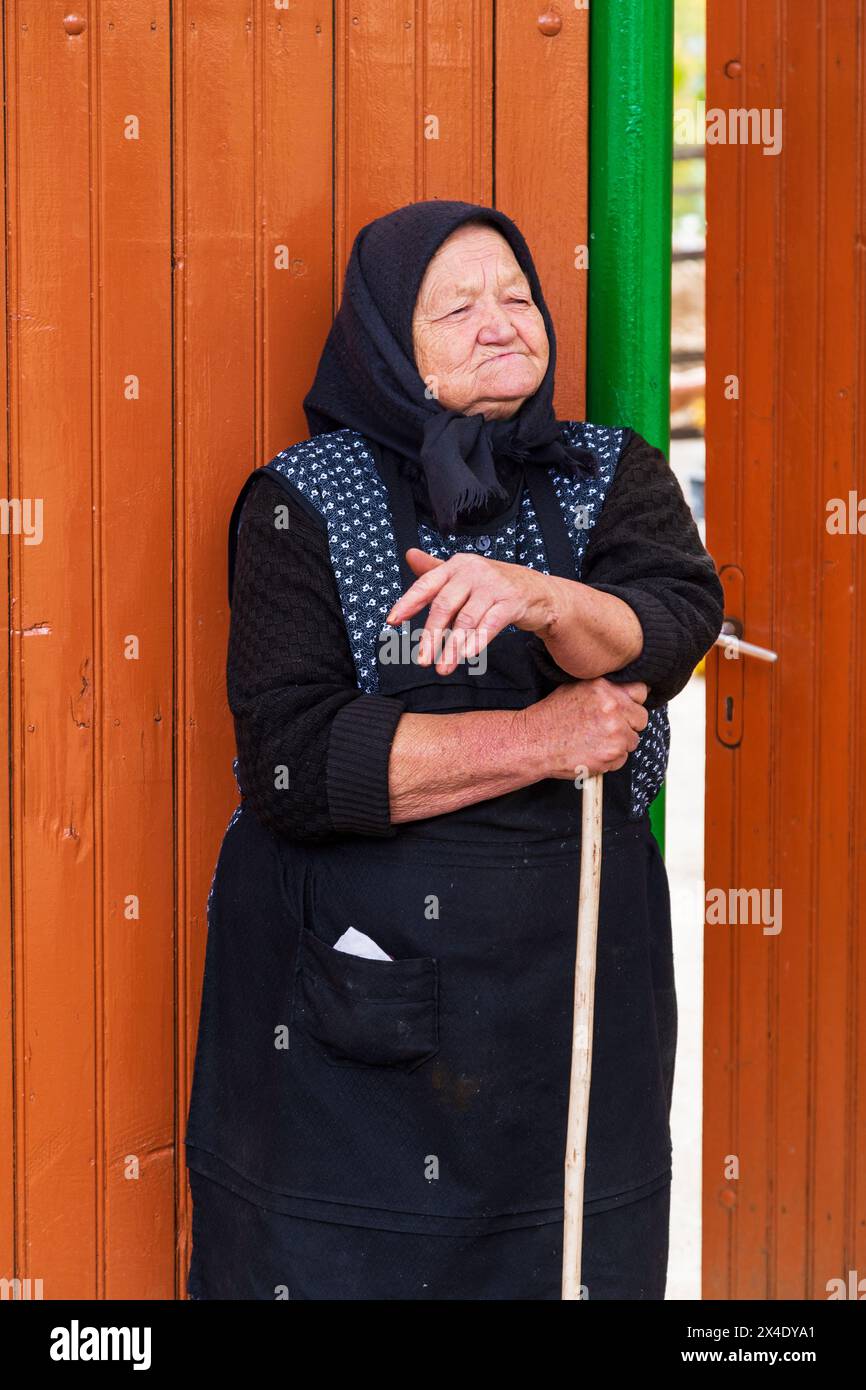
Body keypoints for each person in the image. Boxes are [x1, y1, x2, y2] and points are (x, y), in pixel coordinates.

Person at [184, 199, 724, 1300]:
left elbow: (670, 624)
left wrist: (539, 596)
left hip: (567, 990)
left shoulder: (602, 473)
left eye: (515, 294)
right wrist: (539, 737)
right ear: (388, 343)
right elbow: (293, 761)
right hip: (351, 1009)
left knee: (566, 1259)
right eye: (456, 306)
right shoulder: (303, 500)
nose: (499, 322)